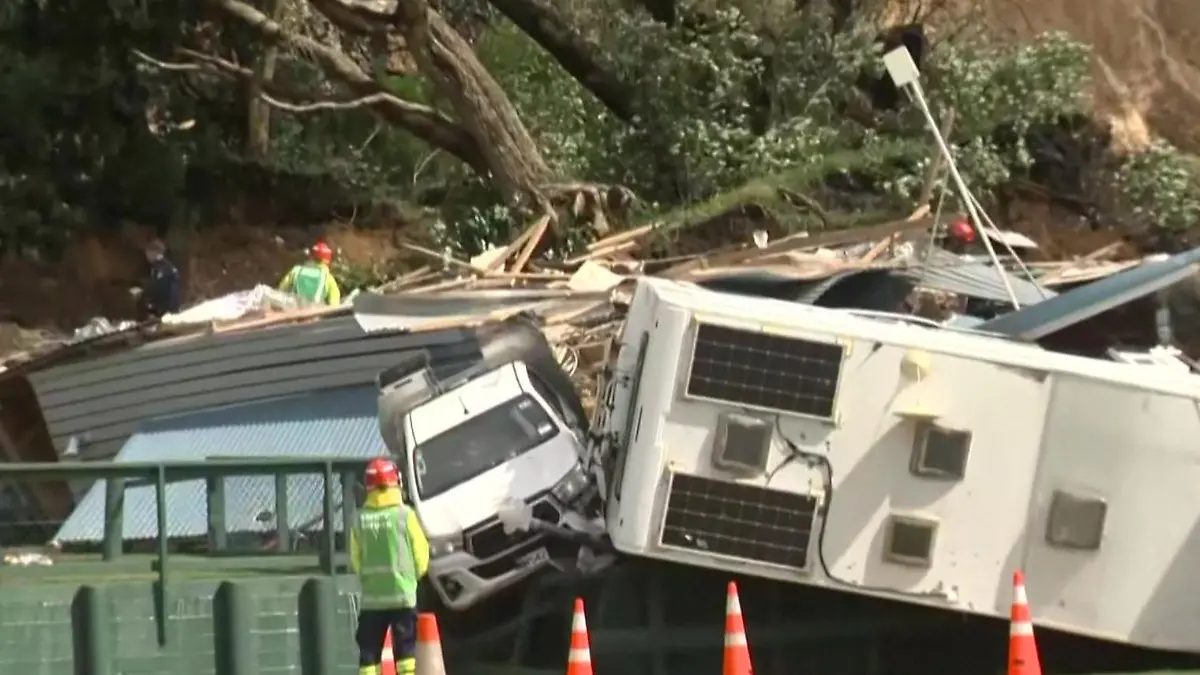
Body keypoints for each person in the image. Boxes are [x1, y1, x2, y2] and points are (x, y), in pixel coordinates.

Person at [351, 457, 430, 675]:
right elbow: (421, 554)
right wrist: (413, 578)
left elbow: (355, 558)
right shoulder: (405, 515)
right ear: (395, 482)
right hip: (403, 595)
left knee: (368, 653)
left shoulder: (359, 519)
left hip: (372, 599)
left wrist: (369, 579)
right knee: (405, 651)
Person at [279, 240, 342, 306]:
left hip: (293, 312)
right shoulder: (328, 278)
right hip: (315, 314)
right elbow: (334, 304)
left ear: (310, 257)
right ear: (327, 261)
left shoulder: (296, 271)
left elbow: (281, 289)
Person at [139, 239, 181, 319]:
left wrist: (144, 293)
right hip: (171, 310)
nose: (146, 256)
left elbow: (159, 288)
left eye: (147, 253)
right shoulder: (168, 266)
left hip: (165, 312)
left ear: (154, 252)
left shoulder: (161, 269)